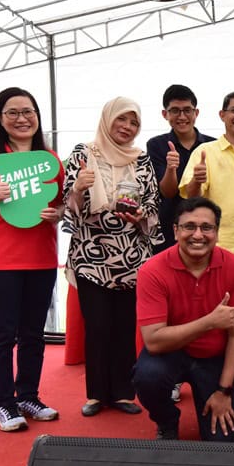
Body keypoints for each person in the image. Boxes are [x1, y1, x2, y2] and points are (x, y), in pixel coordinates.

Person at [0, 87, 64, 432]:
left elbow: (61, 202)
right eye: (13, 112)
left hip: (40, 259)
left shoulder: (50, 160)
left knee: (34, 334)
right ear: (0, 118)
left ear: (37, 116)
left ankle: (28, 395)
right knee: (2, 335)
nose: (22, 119)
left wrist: (57, 213)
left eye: (28, 111)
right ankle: (4, 404)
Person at [63, 96, 161, 418]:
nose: (127, 127)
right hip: (91, 256)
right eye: (122, 120)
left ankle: (122, 393)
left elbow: (151, 203)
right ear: (108, 119)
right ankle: (96, 394)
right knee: (98, 326)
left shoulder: (142, 159)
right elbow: (67, 206)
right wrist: (77, 187)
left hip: (132, 257)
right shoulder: (84, 153)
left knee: (123, 327)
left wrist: (140, 215)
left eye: (133, 122)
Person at [132, 197, 234, 440]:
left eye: (207, 227)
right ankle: (167, 420)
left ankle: (214, 397)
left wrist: (224, 391)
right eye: (189, 227)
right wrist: (210, 322)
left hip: (213, 357)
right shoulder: (152, 270)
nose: (198, 235)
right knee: (147, 377)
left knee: (224, 446)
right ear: (175, 231)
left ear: (216, 232)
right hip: (169, 353)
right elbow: (153, 341)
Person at [180, 90, 234, 407]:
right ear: (222, 115)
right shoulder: (205, 153)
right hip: (215, 254)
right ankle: (201, 381)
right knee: (207, 319)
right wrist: (196, 181)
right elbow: (189, 201)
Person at [146, 84, 215, 253]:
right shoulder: (156, 145)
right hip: (168, 228)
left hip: (203, 228)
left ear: (196, 113)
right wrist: (171, 168)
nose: (182, 116)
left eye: (187, 110)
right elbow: (167, 192)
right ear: (165, 114)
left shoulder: (213, 145)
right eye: (175, 110)